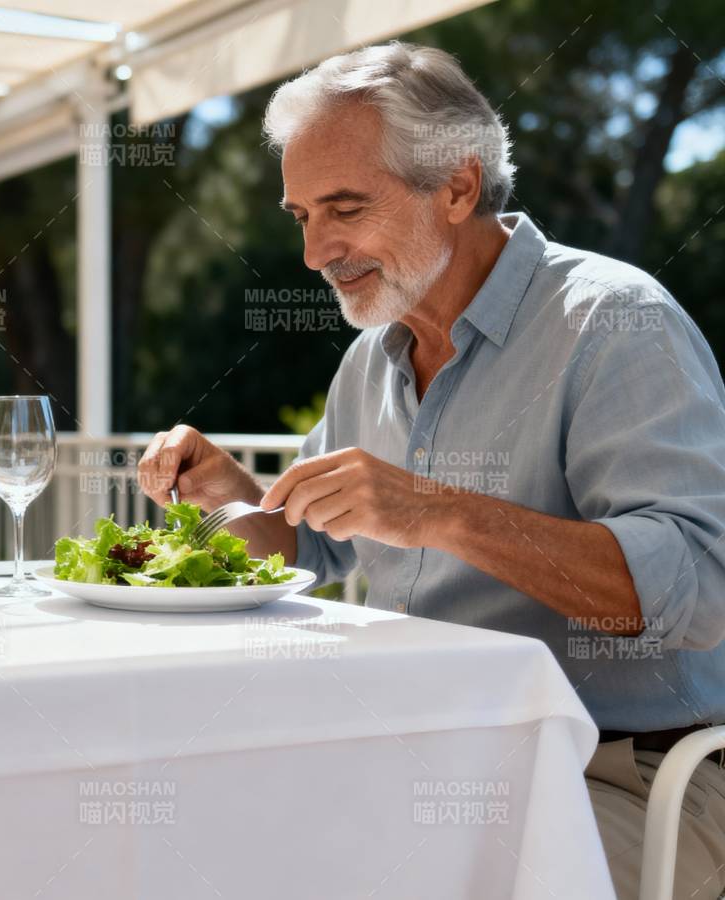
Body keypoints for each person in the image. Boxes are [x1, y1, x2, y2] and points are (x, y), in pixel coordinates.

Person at [137, 42, 725, 899]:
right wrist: (233, 494)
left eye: (345, 208)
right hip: (424, 756)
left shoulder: (614, 322)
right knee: (203, 830)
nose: (314, 252)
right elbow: (307, 547)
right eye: (301, 216)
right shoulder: (373, 357)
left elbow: (701, 587)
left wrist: (438, 512)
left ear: (457, 187)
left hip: (624, 776)